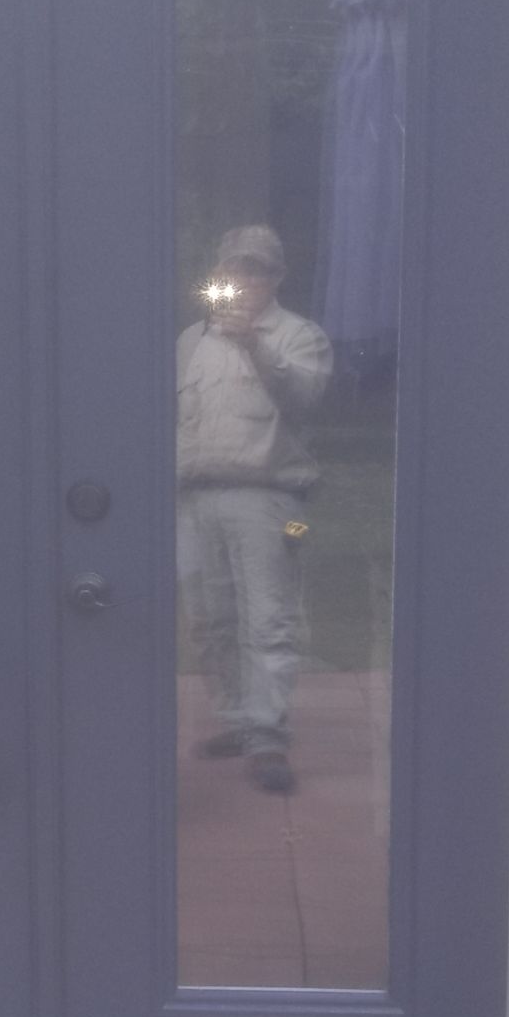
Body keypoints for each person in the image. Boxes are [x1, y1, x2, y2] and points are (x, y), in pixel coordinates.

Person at [176, 224, 332, 793]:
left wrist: (254, 345)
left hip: (272, 501)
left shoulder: (300, 336)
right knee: (210, 621)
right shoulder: (191, 340)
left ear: (277, 278)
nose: (245, 280)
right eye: (236, 269)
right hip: (195, 498)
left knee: (268, 617)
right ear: (219, 275)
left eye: (258, 269)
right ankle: (239, 722)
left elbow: (303, 398)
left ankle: (268, 735)